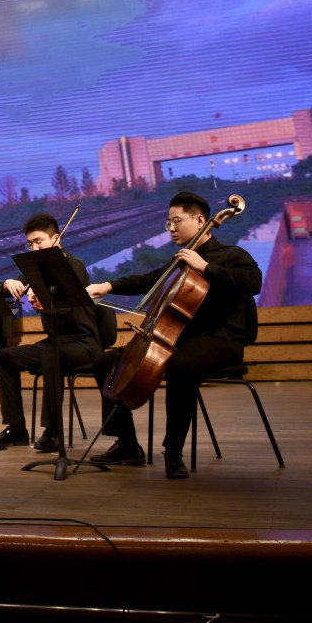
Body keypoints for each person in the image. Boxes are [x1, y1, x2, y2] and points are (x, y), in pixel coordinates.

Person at [85, 191, 262, 480]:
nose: (172, 228)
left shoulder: (232, 255)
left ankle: (173, 450)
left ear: (200, 221)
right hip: (179, 340)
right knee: (105, 363)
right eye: (169, 223)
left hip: (221, 340)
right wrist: (107, 286)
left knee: (180, 366)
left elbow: (253, 282)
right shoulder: (180, 261)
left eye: (177, 221)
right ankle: (127, 445)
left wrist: (205, 267)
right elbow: (150, 280)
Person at [0, 213, 102, 452]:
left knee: (51, 354)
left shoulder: (74, 266)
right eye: (30, 244)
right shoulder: (35, 270)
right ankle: (16, 429)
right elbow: (3, 290)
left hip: (84, 343)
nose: (35, 248)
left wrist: (46, 303)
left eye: (39, 242)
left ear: (56, 238)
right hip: (54, 343)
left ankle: (52, 431)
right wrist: (7, 284)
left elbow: (70, 307)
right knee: (5, 357)